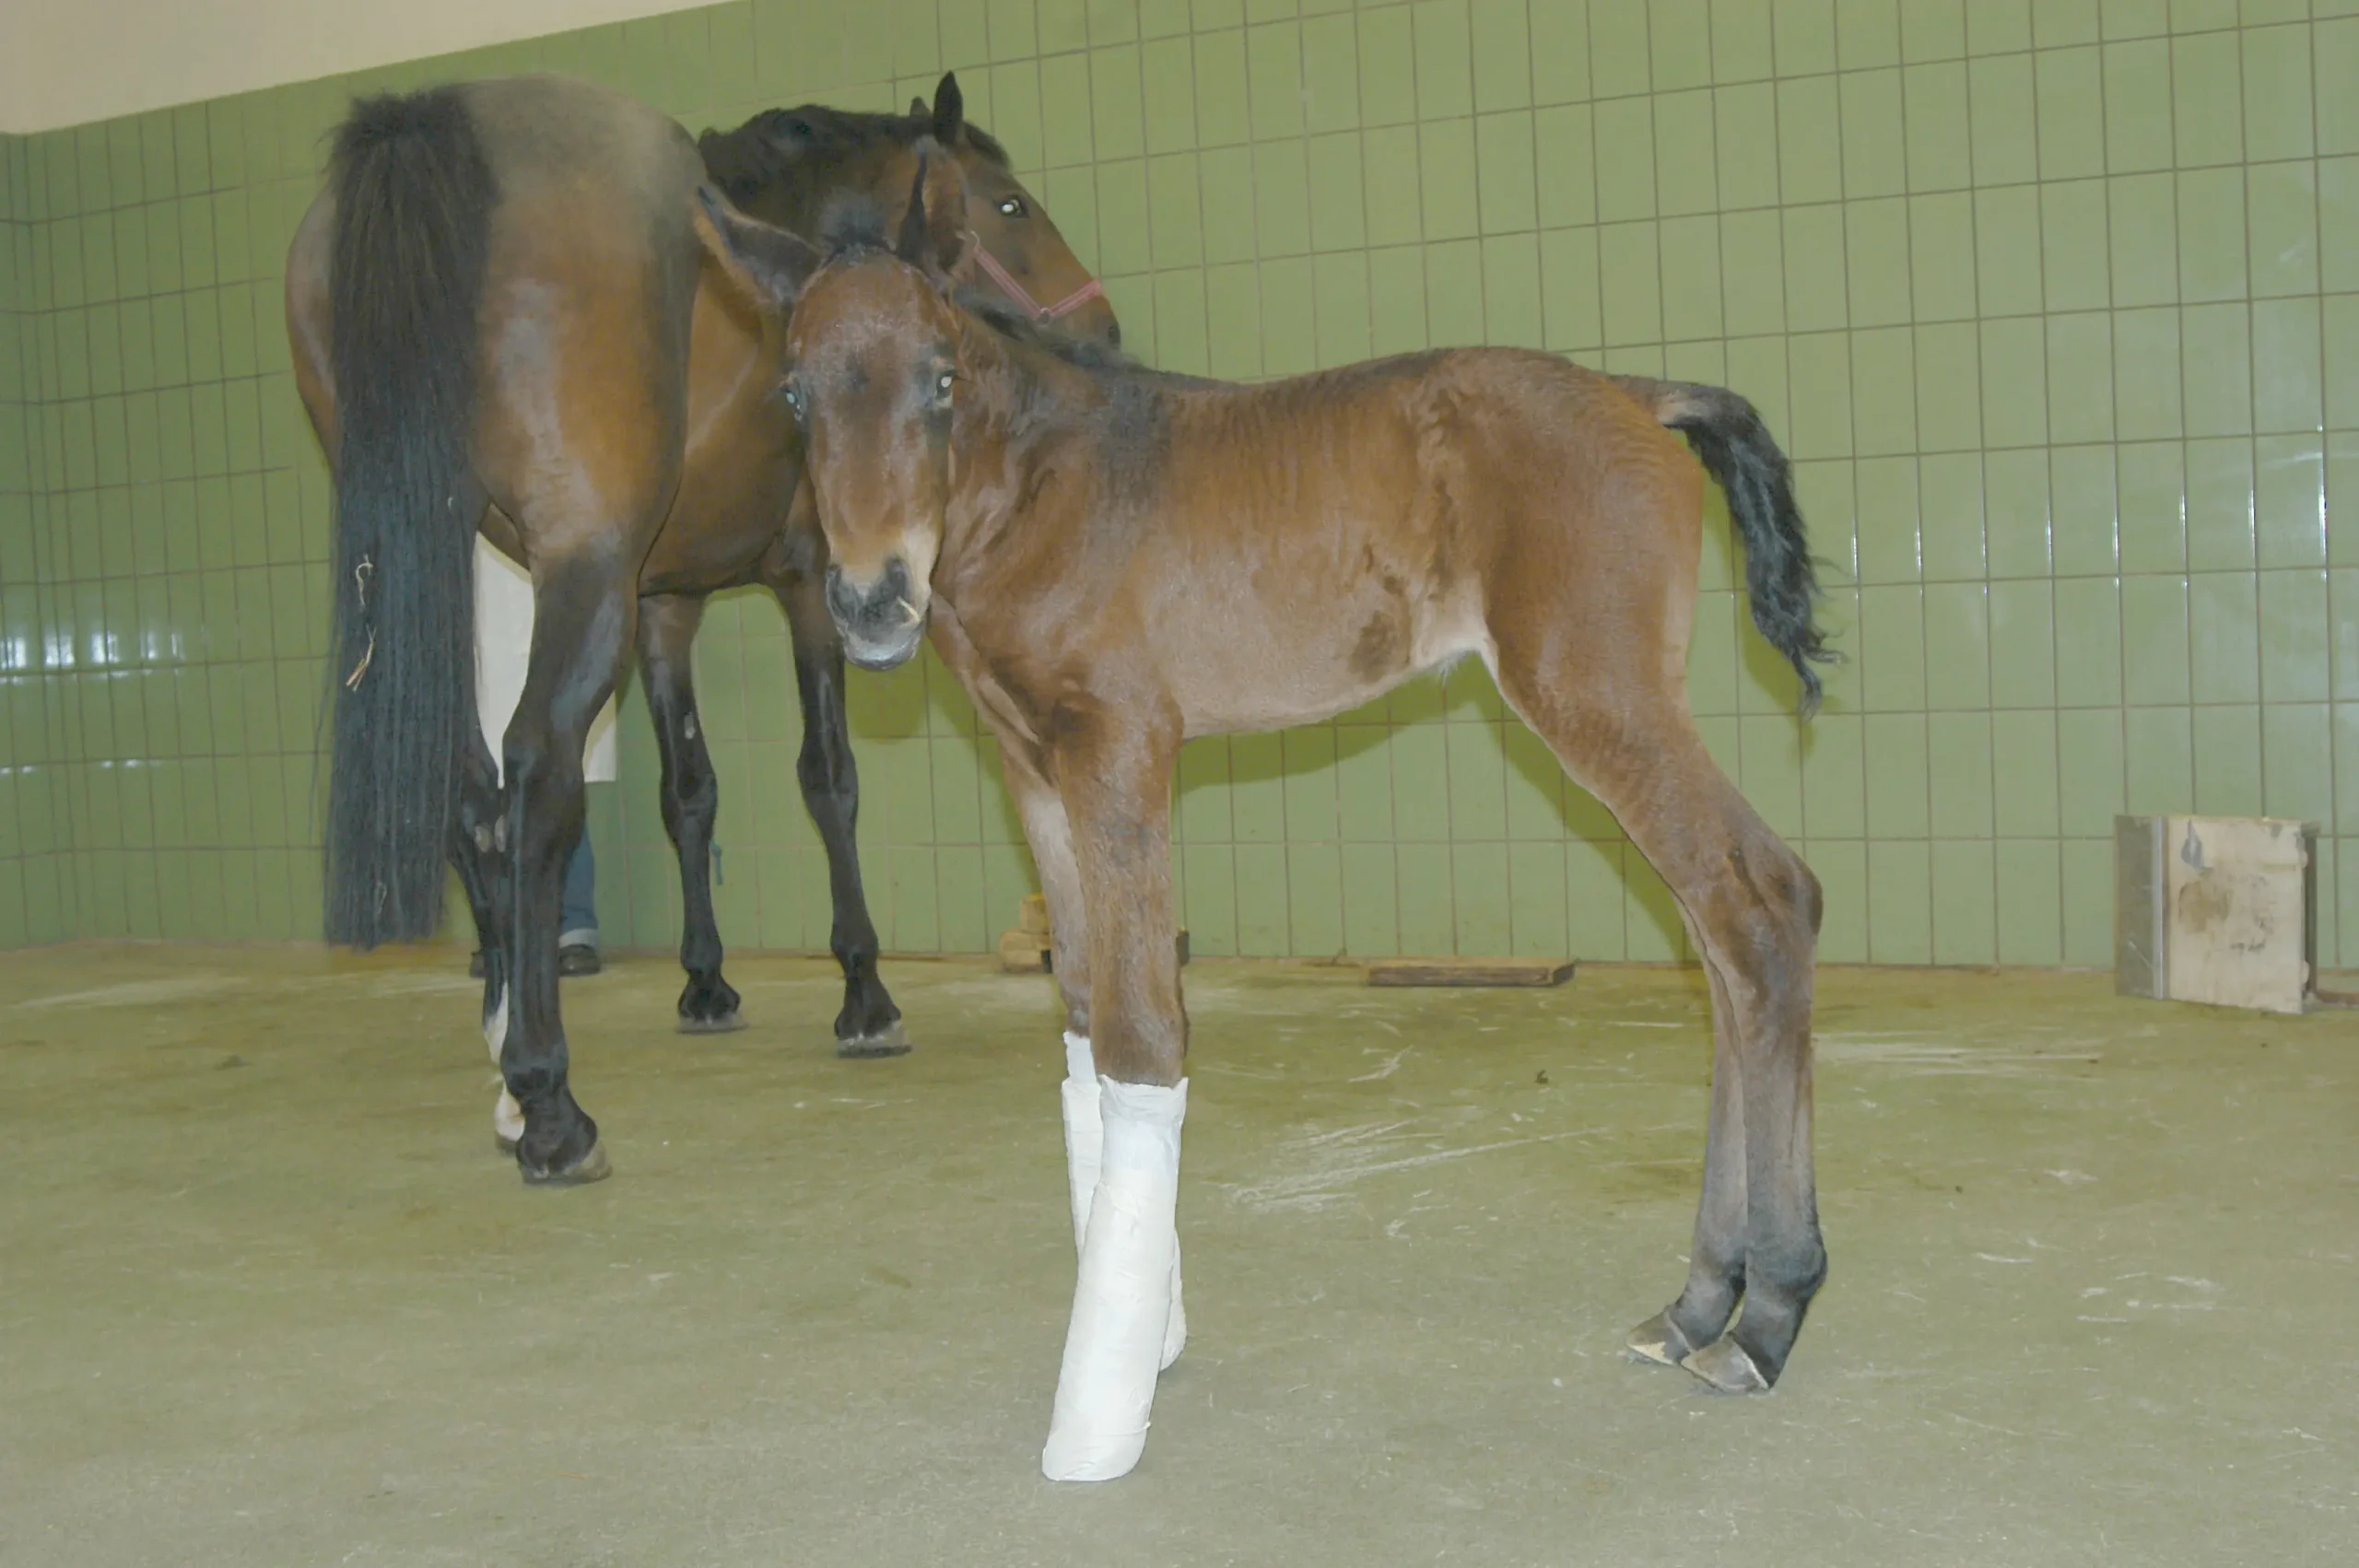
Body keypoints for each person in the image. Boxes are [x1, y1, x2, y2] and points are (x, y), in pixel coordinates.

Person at [468, 536, 618, 979]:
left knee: (559, 774)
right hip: (489, 612)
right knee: (495, 789)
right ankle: (506, 928)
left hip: (556, 593)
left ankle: (574, 924)